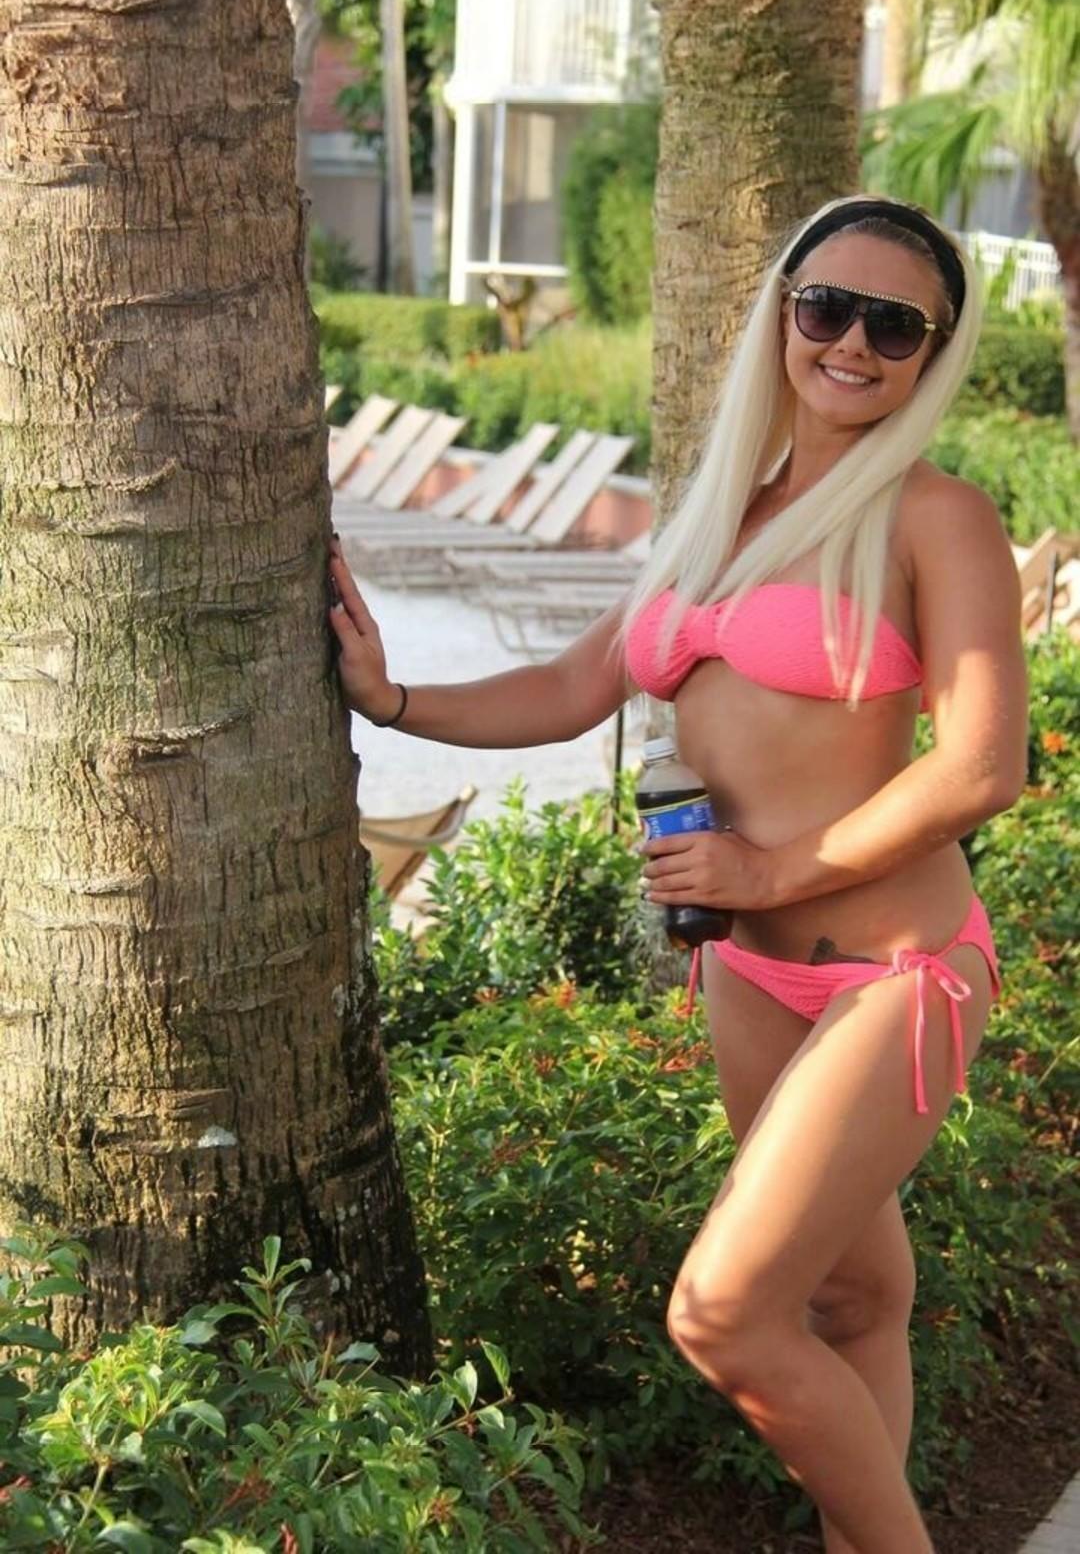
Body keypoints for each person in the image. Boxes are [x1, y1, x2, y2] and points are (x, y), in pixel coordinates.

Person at [326, 195, 1028, 1554]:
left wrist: (770, 868)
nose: (852, 343)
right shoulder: (722, 513)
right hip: (752, 973)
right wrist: (395, 698)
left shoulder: (937, 517)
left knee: (726, 1314)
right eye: (827, 306)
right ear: (781, 314)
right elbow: (569, 685)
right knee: (847, 1303)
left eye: (896, 326)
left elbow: (982, 766)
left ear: (932, 355)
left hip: (897, 975)